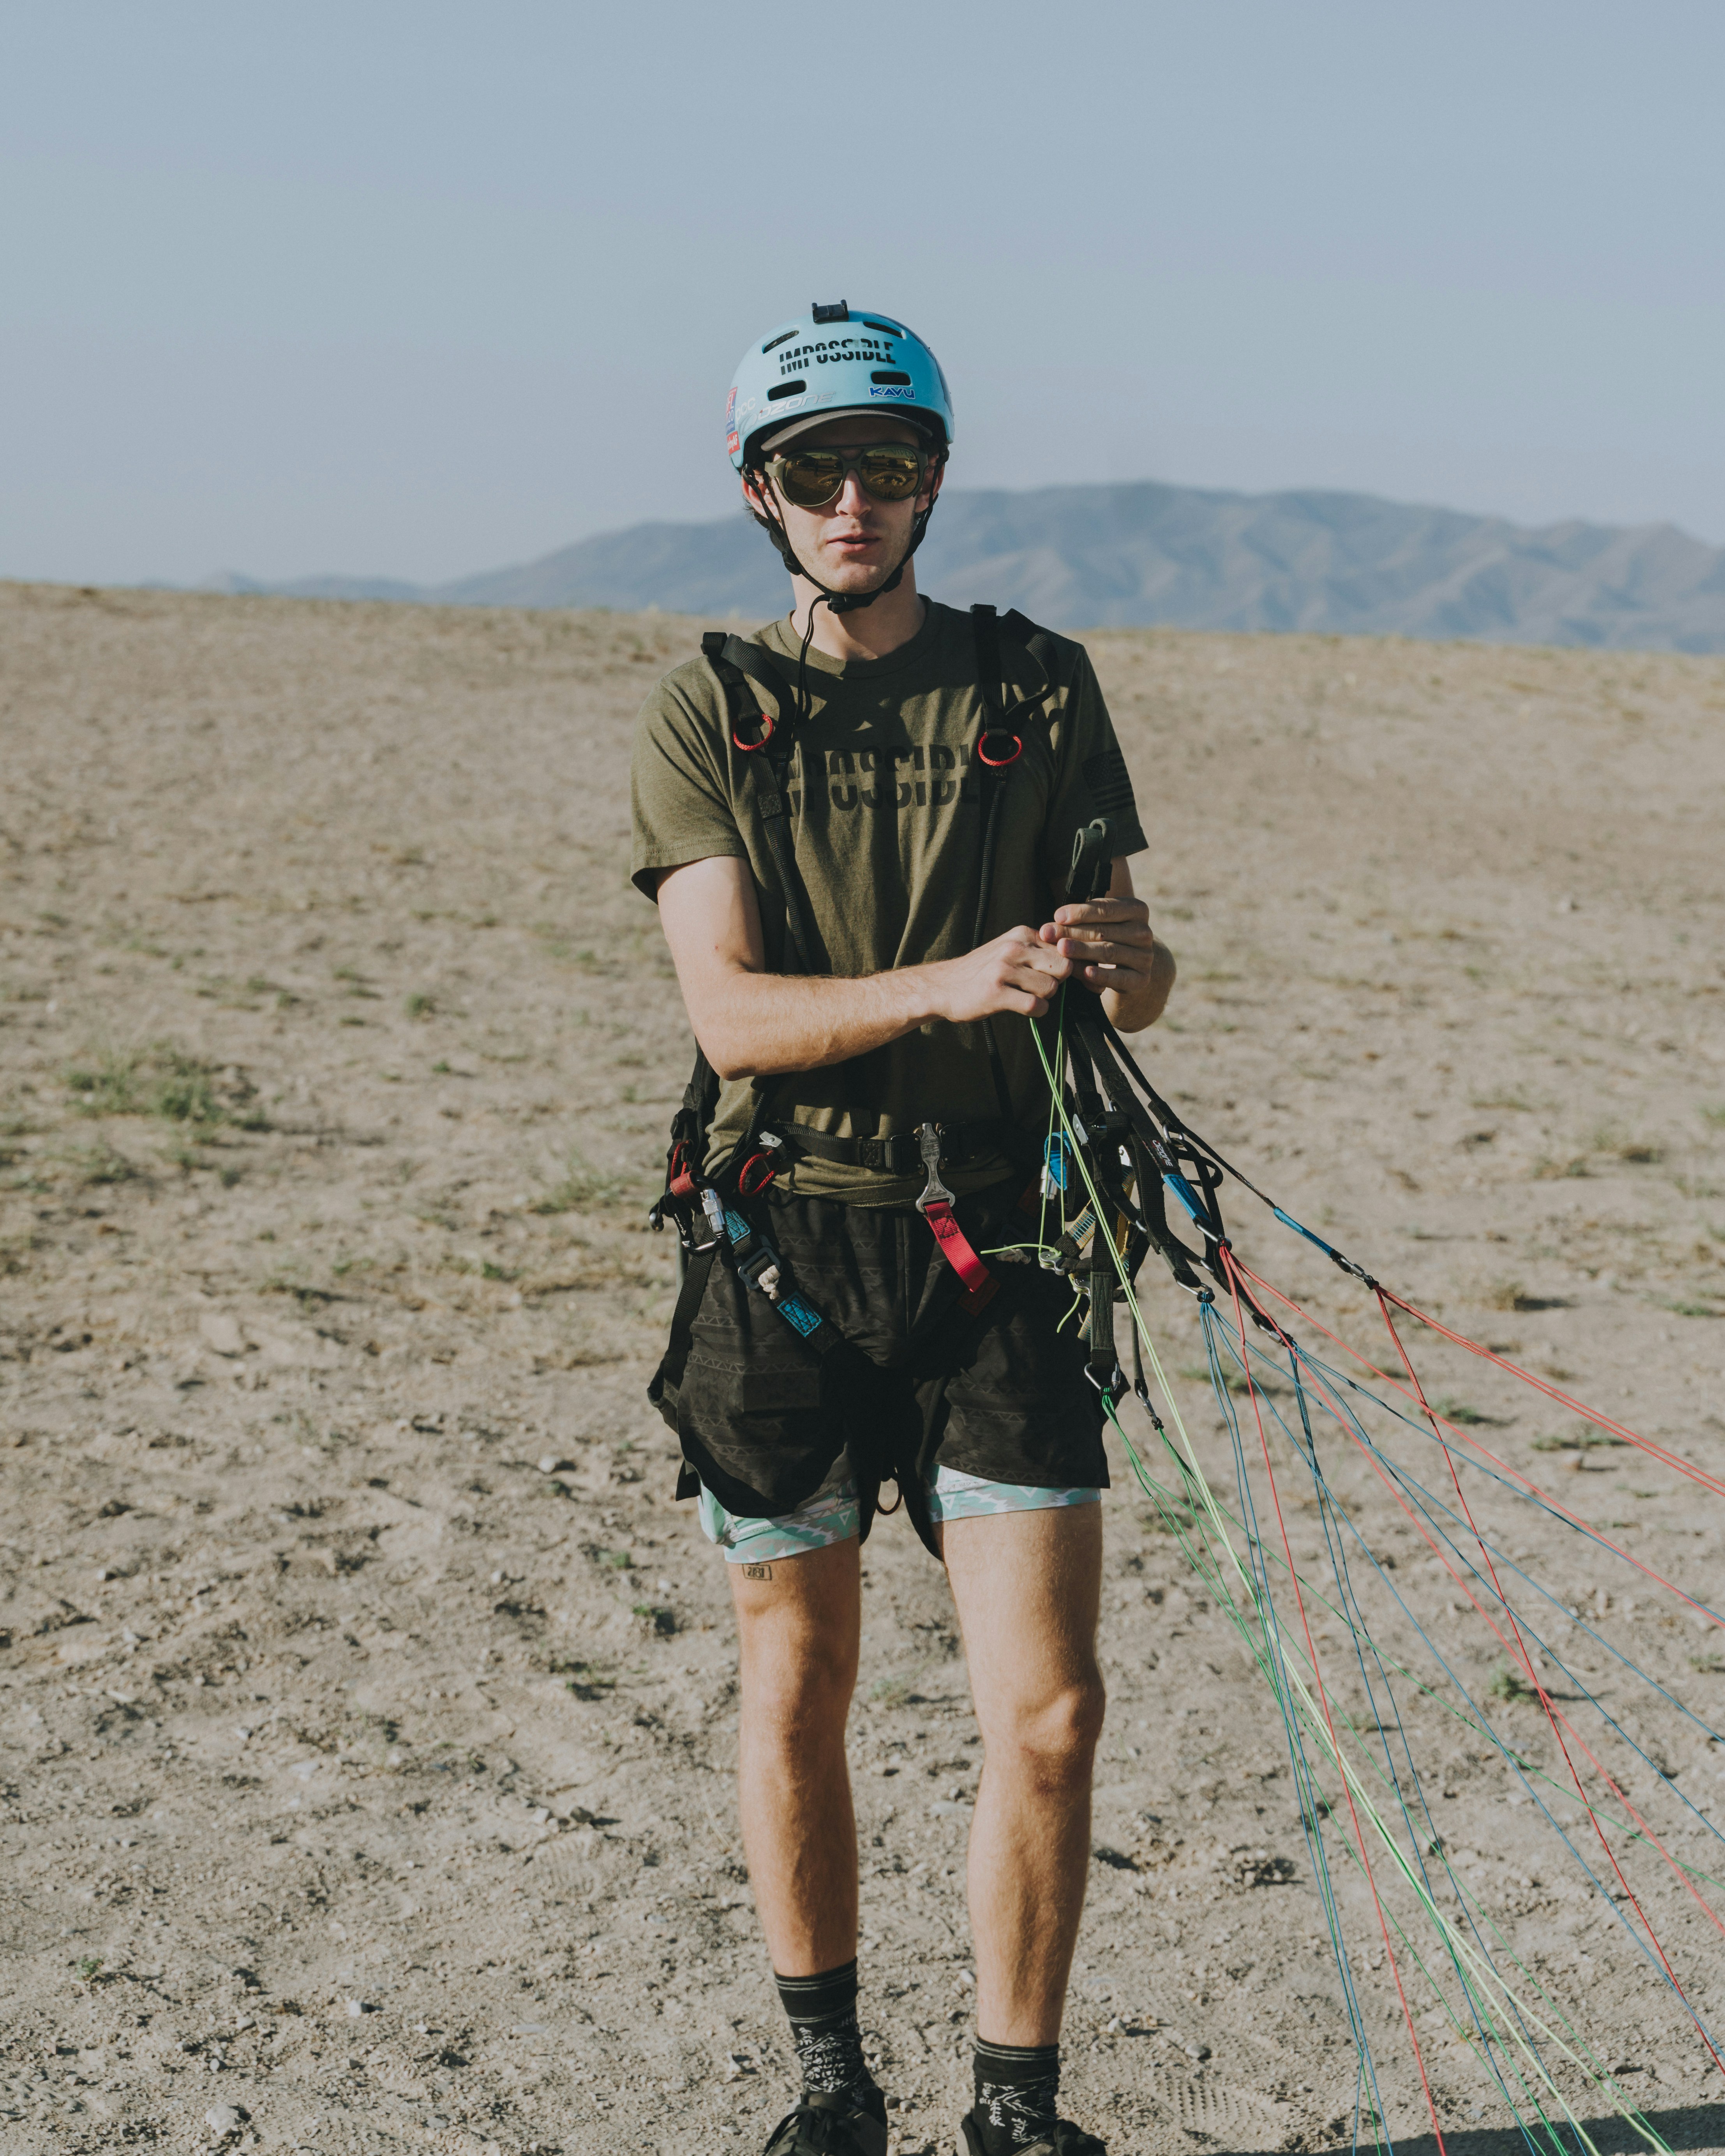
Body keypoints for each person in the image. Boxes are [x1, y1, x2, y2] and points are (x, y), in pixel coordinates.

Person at [629, 303, 1175, 2156]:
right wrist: (952, 981)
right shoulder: (713, 706)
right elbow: (734, 1020)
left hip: (1005, 1253)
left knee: (1052, 1710)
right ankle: (832, 2092)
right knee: (800, 1680)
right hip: (787, 1257)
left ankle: (1015, 2111)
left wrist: (1120, 957)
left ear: (938, 476)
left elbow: (1145, 971)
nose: (855, 501)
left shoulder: (1036, 684)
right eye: (815, 471)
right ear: (758, 492)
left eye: (891, 464)